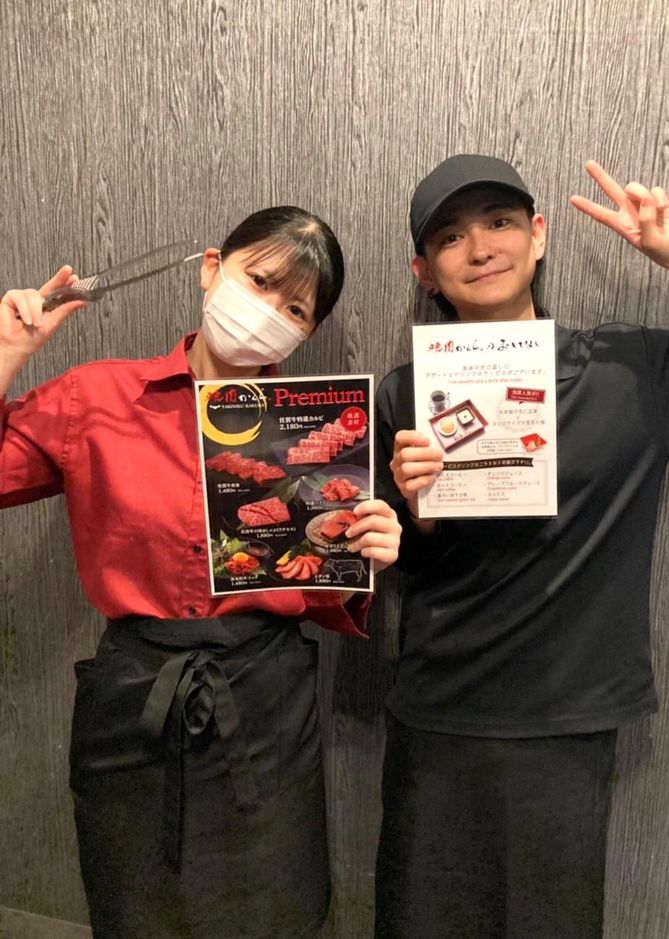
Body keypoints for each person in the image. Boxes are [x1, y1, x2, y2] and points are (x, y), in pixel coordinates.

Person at [373, 155, 669, 939]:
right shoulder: (402, 394)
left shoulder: (635, 368)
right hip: (438, 710)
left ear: (538, 236)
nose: (481, 247)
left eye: (500, 222)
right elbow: (402, 563)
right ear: (424, 271)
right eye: (450, 236)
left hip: (568, 714)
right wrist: (419, 518)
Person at [0, 205, 401, 939]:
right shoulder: (96, 396)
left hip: (265, 698)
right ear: (212, 268)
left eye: (295, 309)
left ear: (306, 333)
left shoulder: (314, 432)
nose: (268, 313)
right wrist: (5, 353)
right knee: (134, 905)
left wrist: (362, 549)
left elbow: (316, 580)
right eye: (261, 281)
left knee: (269, 913)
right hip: (133, 694)